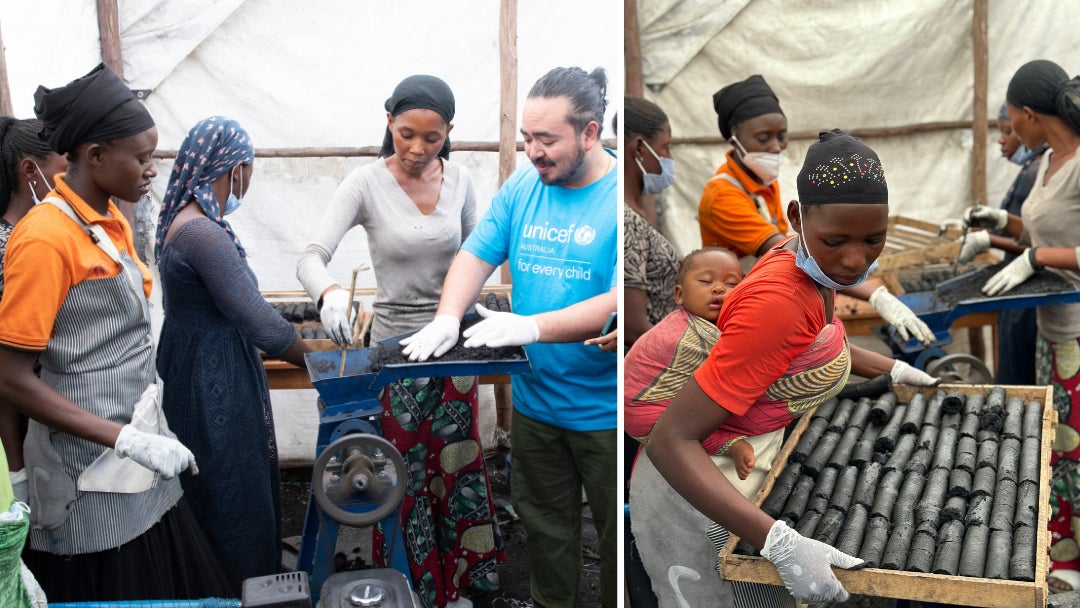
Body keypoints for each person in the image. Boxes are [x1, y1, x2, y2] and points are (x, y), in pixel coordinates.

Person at [632, 129, 940, 606]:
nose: (855, 259)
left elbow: (798, 347)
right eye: (835, 240)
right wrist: (780, 543)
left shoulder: (806, 265)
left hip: (743, 474)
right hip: (699, 498)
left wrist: (891, 368)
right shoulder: (780, 300)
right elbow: (672, 439)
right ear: (796, 217)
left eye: (874, 240)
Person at [0, 63, 230, 602]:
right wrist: (122, 439)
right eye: (142, 157)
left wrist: (144, 434)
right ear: (95, 156)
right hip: (87, 470)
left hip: (140, 451)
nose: (153, 169)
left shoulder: (110, 220)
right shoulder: (44, 239)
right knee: (111, 584)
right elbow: (9, 377)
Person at [400, 66, 618, 608]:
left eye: (547, 140)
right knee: (546, 531)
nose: (533, 152)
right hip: (538, 406)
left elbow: (620, 299)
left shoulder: (619, 201)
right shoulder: (524, 187)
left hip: (607, 414)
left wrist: (533, 327)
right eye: (527, 138)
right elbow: (475, 254)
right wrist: (448, 316)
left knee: (620, 538)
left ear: (590, 133)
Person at [296, 75, 501, 608]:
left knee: (456, 468)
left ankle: (462, 588)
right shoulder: (365, 183)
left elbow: (478, 257)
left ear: (449, 132)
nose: (416, 148)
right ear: (389, 122)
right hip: (395, 351)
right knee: (401, 474)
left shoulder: (460, 181)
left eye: (431, 138)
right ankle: (414, 587)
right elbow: (310, 255)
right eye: (406, 133)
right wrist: (330, 293)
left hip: (452, 349)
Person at [154, 116, 312, 594]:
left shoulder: (185, 220)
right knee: (231, 480)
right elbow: (259, 321)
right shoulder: (203, 234)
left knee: (209, 480)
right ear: (234, 168)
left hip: (192, 364)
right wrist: (320, 363)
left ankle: (216, 576)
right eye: (249, 169)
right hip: (213, 378)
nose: (249, 179)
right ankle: (241, 581)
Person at [955, 59, 1080, 593]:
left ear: (1029, 114)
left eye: (1010, 119)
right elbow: (1043, 231)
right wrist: (1000, 226)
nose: (1010, 128)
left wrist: (1037, 257)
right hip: (1053, 329)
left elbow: (1055, 246)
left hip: (1079, 330)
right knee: (1061, 443)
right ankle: (1066, 554)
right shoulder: (1051, 160)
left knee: (1077, 445)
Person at [699, 75, 935, 345]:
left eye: (782, 137)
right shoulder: (722, 195)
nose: (776, 147)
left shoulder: (763, 183)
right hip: (737, 317)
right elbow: (785, 247)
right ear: (734, 139)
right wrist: (874, 294)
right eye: (763, 138)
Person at [0, 117, 68, 497]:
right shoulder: (10, 246)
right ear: (30, 170)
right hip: (25, 425)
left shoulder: (50, 235)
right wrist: (16, 470)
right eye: (63, 170)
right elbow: (5, 374)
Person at [992, 103, 1048, 385]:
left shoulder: (1036, 172)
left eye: (1007, 131)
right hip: (1020, 285)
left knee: (1019, 377)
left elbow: (1038, 240)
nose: (1002, 139)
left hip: (1027, 290)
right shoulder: (1033, 168)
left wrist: (989, 237)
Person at [624, 96, 681, 347]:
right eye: (665, 148)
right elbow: (634, 328)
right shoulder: (627, 222)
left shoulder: (636, 213)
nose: (669, 158)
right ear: (639, 149)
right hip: (651, 364)